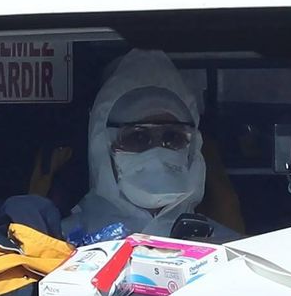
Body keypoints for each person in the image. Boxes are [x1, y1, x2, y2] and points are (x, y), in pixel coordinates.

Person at [63, 49, 219, 239]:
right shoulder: (62, 242)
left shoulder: (227, 247)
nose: (158, 151)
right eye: (138, 137)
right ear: (104, 146)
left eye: (173, 137)